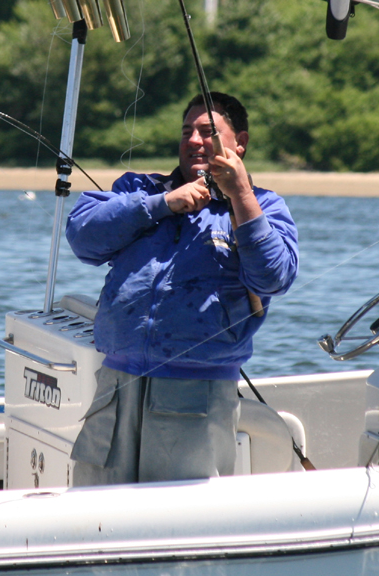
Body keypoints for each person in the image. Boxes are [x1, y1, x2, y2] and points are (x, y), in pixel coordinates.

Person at [65, 92, 298, 486]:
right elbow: (82, 237)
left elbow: (275, 277)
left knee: (176, 525)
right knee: (95, 518)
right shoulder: (139, 189)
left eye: (208, 132)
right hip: (116, 388)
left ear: (238, 142)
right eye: (187, 131)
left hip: (197, 396)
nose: (193, 140)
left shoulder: (264, 206)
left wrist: (240, 195)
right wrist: (161, 204)